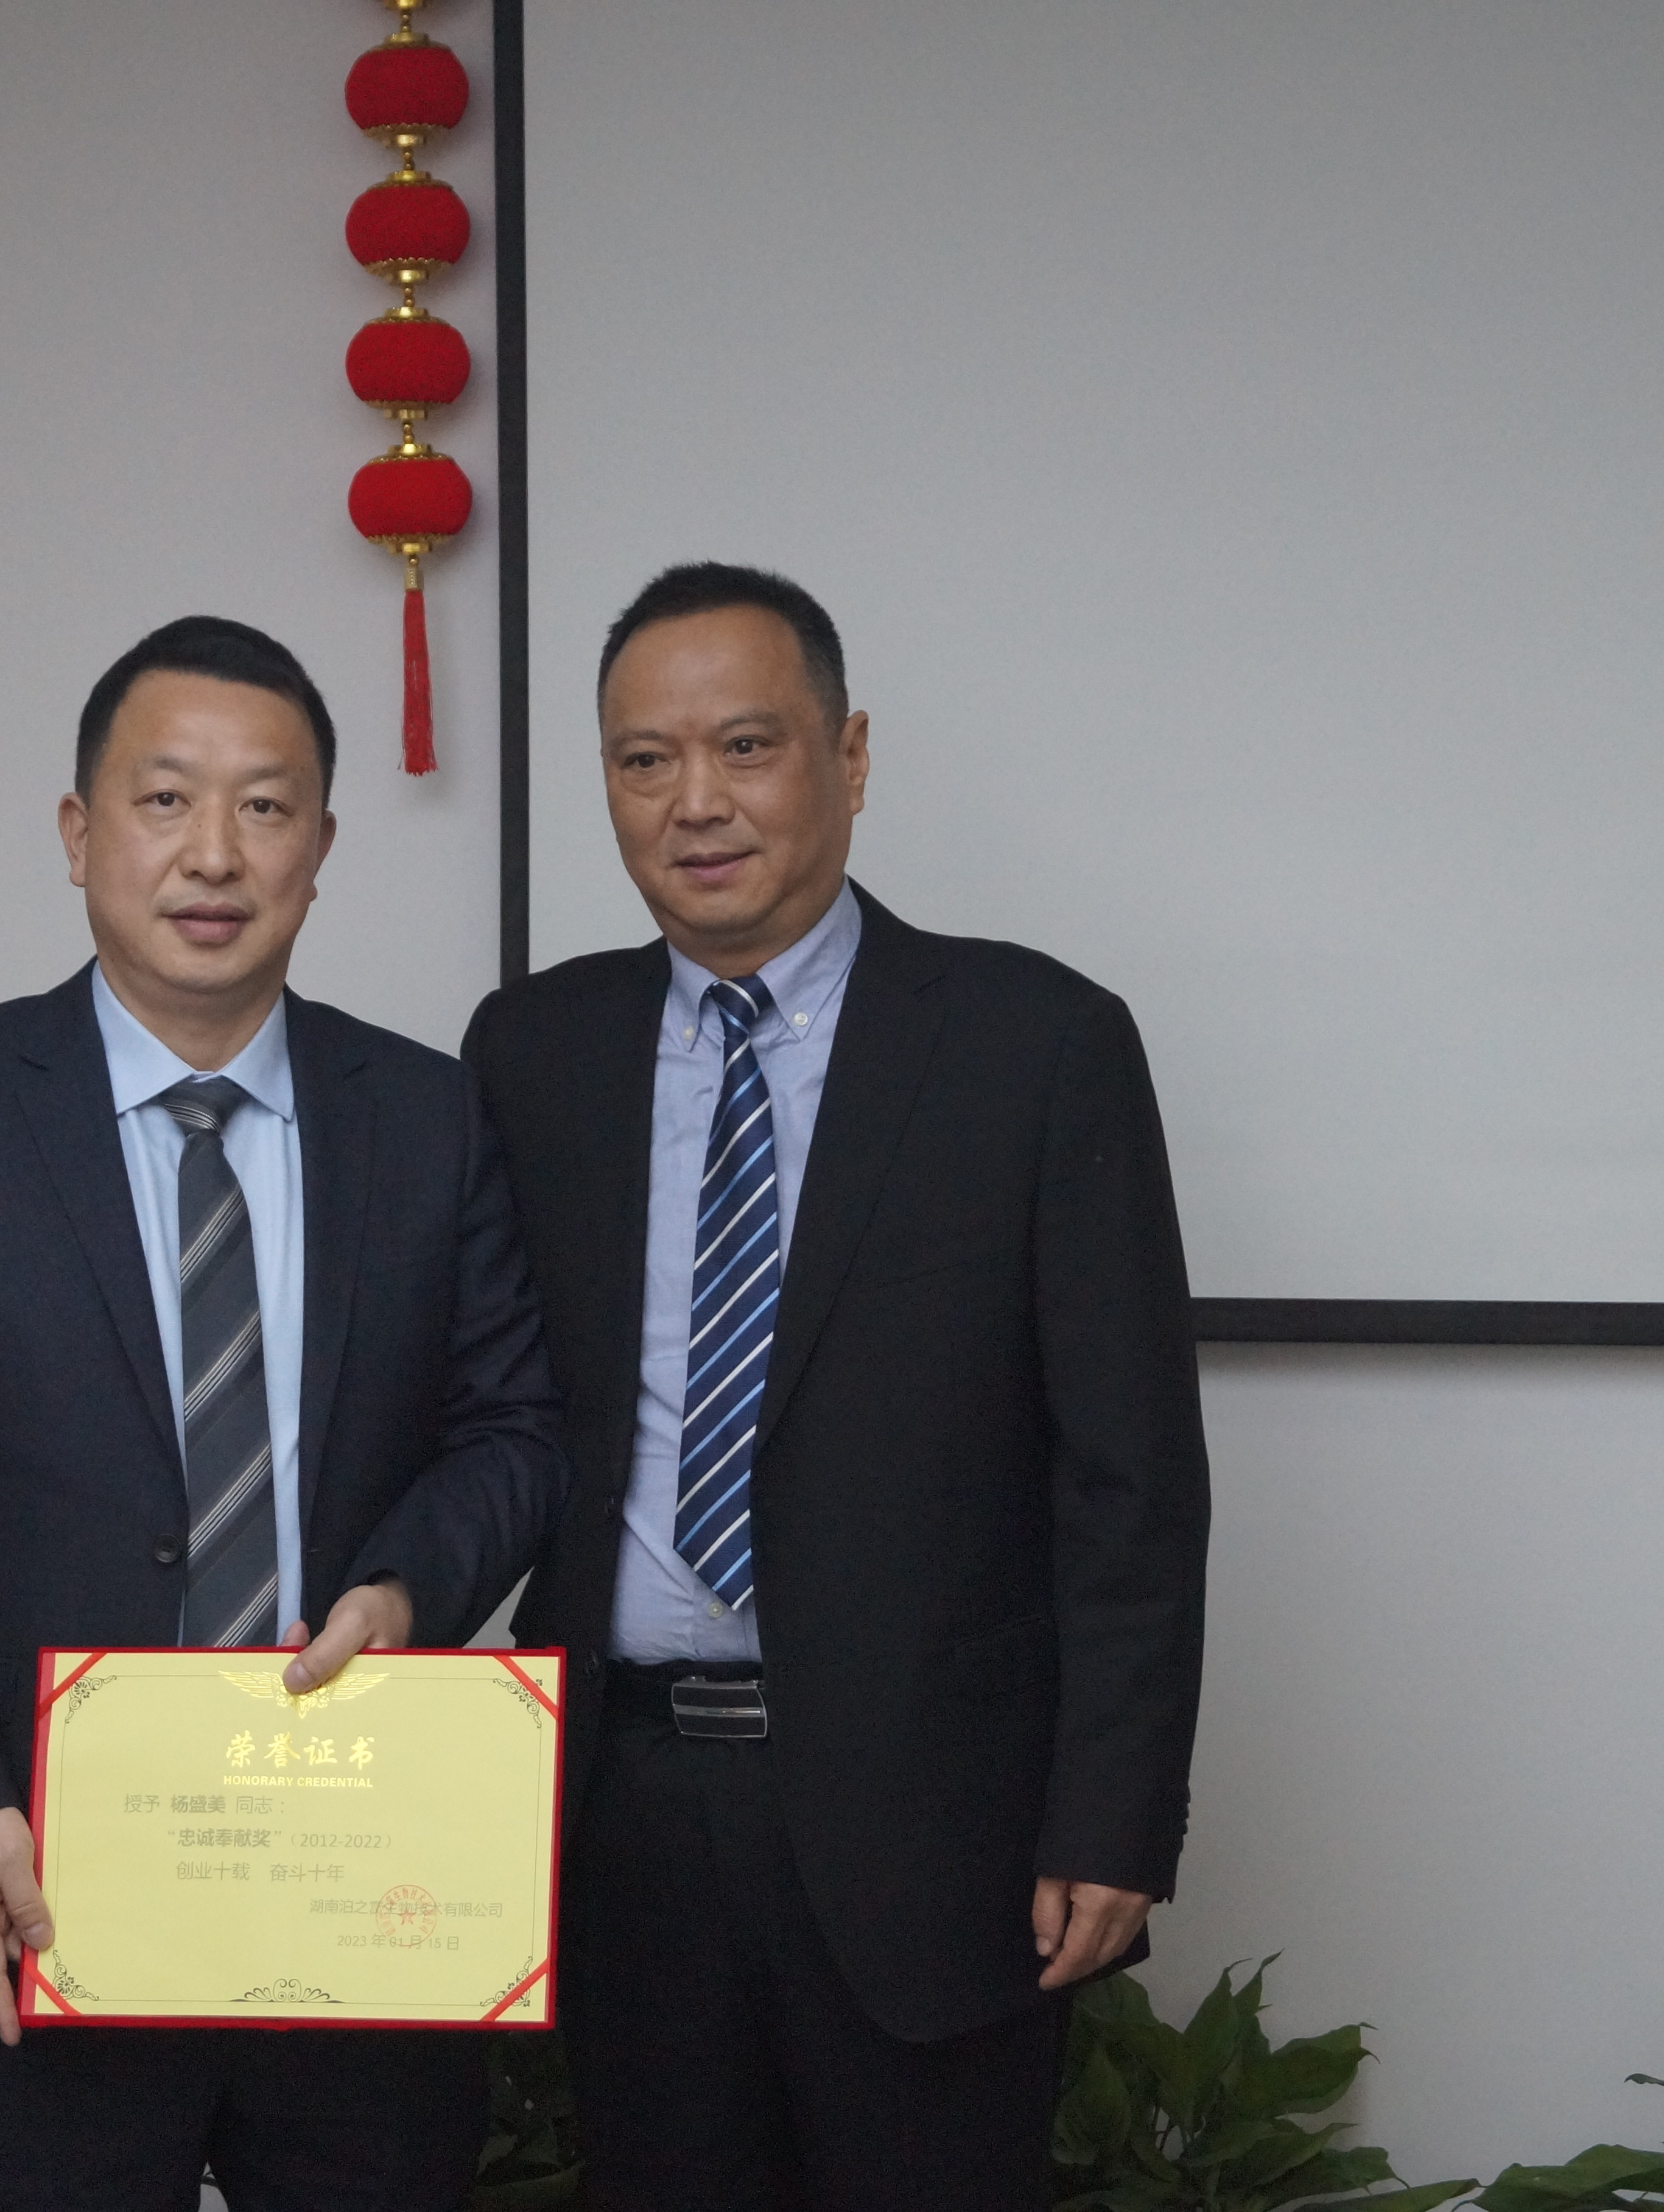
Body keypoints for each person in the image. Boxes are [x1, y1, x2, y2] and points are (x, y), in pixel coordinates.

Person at [0, 615, 565, 2212]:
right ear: (80, 834)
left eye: (266, 806)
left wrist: (408, 1587)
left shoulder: (426, 1115)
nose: (215, 853)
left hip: (351, 1885)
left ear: (322, 848)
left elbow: (516, 1430)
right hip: (36, 1879)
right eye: (165, 800)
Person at [462, 564, 1212, 2210]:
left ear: (849, 756)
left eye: (746, 746)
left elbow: (1132, 1477)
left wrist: (1114, 1817)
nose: (696, 802)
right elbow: (487, 1417)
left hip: (939, 1825)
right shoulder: (533, 1053)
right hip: (628, 1813)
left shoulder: (1037, 1045)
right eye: (643, 760)